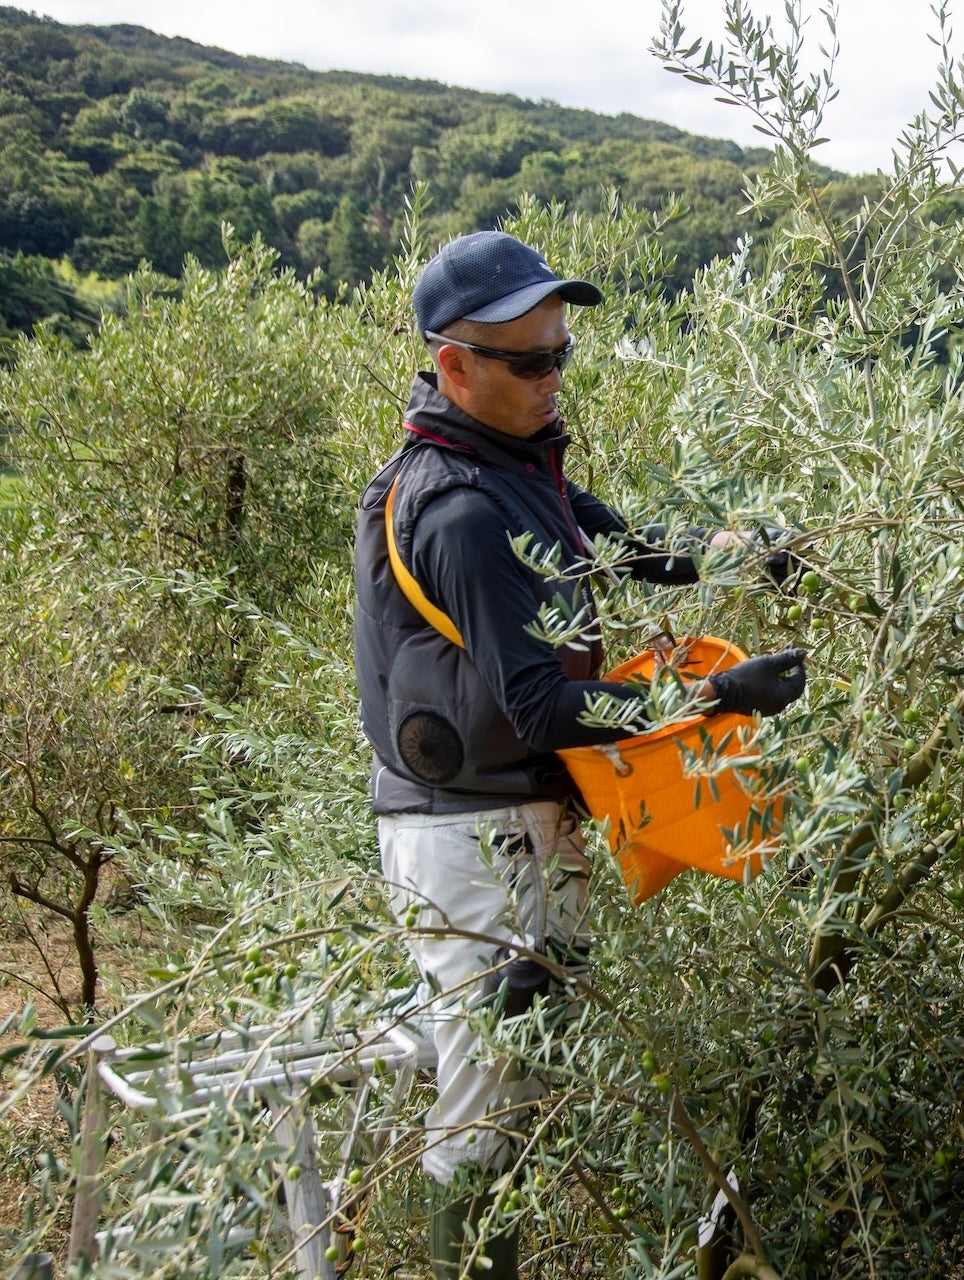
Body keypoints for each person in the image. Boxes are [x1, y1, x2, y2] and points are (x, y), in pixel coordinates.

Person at [352, 230, 806, 1279]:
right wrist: (709, 694)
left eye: (561, 353)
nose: (554, 377)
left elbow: (643, 549)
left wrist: (757, 545)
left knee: (523, 1082)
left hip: (513, 824)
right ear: (453, 363)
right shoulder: (463, 510)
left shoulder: (516, 470)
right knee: (485, 1105)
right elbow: (544, 705)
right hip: (474, 839)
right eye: (529, 361)